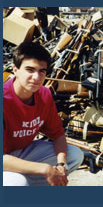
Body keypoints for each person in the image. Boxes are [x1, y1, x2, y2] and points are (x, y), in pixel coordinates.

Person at [3, 42, 84, 186]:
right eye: (30, 69)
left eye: (42, 71)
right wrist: (45, 169)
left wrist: (61, 165)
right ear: (15, 70)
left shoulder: (44, 94)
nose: (37, 77)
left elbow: (58, 134)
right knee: (17, 183)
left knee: (74, 155)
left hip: (21, 151)